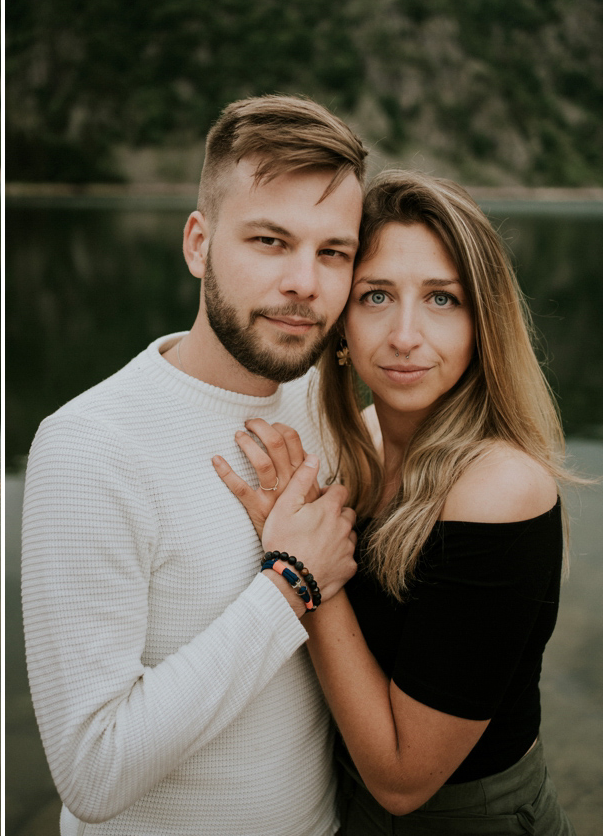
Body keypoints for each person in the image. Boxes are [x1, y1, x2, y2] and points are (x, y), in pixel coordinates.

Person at [21, 94, 368, 836]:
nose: (305, 282)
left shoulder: (325, 403)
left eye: (332, 251)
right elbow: (91, 771)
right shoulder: (91, 447)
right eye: (271, 242)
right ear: (198, 244)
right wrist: (289, 584)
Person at [216, 170, 578, 833]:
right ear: (341, 327)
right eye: (376, 295)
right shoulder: (371, 439)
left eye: (442, 300)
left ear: (482, 325)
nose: (405, 335)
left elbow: (403, 779)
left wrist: (305, 574)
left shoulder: (497, 487)